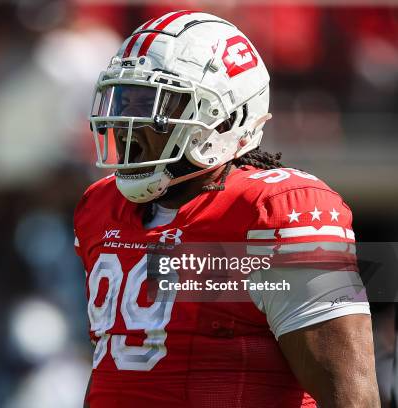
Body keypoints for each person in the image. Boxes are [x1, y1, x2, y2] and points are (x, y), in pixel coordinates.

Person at [73, 11, 380, 408]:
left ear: (225, 117)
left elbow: (351, 398)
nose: (129, 124)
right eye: (125, 100)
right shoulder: (100, 206)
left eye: (155, 105)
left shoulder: (276, 209)